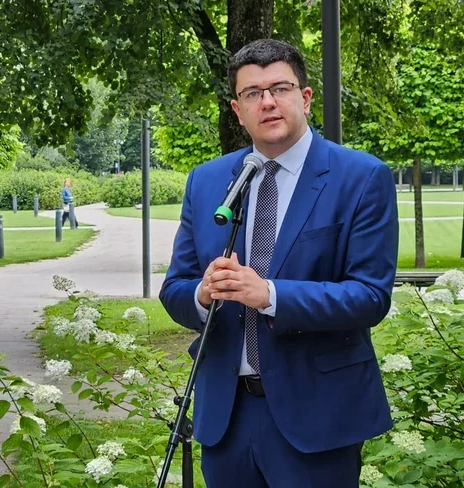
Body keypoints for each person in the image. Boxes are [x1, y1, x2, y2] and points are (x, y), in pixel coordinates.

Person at [160, 39, 398, 487]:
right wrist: (203, 294)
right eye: (253, 93)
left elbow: (370, 296)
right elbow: (175, 289)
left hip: (317, 418)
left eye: (280, 88)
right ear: (238, 110)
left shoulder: (362, 177)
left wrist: (269, 294)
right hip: (226, 418)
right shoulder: (207, 181)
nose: (267, 102)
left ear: (304, 98)